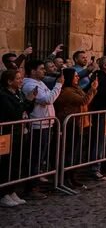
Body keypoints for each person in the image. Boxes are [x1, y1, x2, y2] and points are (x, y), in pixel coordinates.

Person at [21, 59, 63, 200]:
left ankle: (36, 184)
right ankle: (31, 188)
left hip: (46, 123)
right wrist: (58, 85)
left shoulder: (40, 82)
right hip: (37, 126)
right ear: (33, 71)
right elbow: (47, 99)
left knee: (41, 157)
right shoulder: (29, 85)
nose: (44, 71)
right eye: (41, 69)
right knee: (35, 157)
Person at [54, 67, 98, 189]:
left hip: (79, 123)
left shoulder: (76, 89)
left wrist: (92, 90)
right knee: (68, 152)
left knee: (75, 152)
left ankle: (72, 176)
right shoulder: (67, 91)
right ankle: (65, 177)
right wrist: (92, 89)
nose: (78, 77)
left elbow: (86, 100)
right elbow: (83, 101)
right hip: (70, 123)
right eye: (75, 76)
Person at [0, 68, 28, 207]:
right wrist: (24, 104)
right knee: (6, 164)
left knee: (16, 162)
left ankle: (12, 190)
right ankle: (3, 193)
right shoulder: (3, 95)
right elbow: (13, 112)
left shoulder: (18, 93)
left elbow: (24, 108)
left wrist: (27, 102)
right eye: (17, 79)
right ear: (9, 81)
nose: (20, 80)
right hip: (6, 133)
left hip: (18, 132)